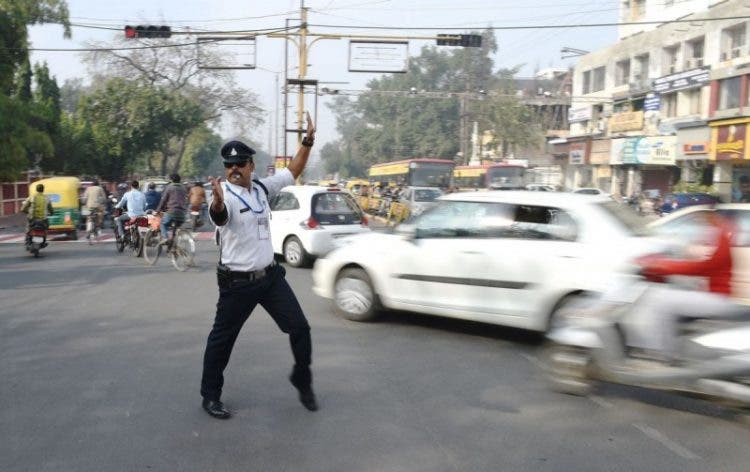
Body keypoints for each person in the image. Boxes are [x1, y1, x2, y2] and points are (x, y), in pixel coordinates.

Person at [200, 113, 317, 420]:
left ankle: (301, 378)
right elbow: (220, 215)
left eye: (240, 164)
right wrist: (216, 203)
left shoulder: (262, 189)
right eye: (229, 165)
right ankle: (210, 396)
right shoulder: (223, 195)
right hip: (237, 283)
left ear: (251, 166)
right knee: (222, 341)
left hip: (270, 278)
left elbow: (294, 170)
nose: (234, 169)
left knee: (301, 328)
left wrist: (307, 141)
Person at [631, 211, 741, 357]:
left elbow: (700, 267)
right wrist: (659, 263)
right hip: (710, 294)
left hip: (716, 298)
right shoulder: (717, 237)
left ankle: (658, 355)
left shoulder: (720, 239)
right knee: (660, 296)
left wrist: (660, 266)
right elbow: (693, 260)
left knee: (658, 300)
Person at [157, 173, 188, 241]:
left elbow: (164, 200)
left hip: (172, 212)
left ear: (171, 180)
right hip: (182, 214)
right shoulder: (183, 188)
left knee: (163, 224)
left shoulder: (169, 187)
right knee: (175, 226)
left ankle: (165, 238)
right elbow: (186, 200)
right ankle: (173, 245)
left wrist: (158, 210)